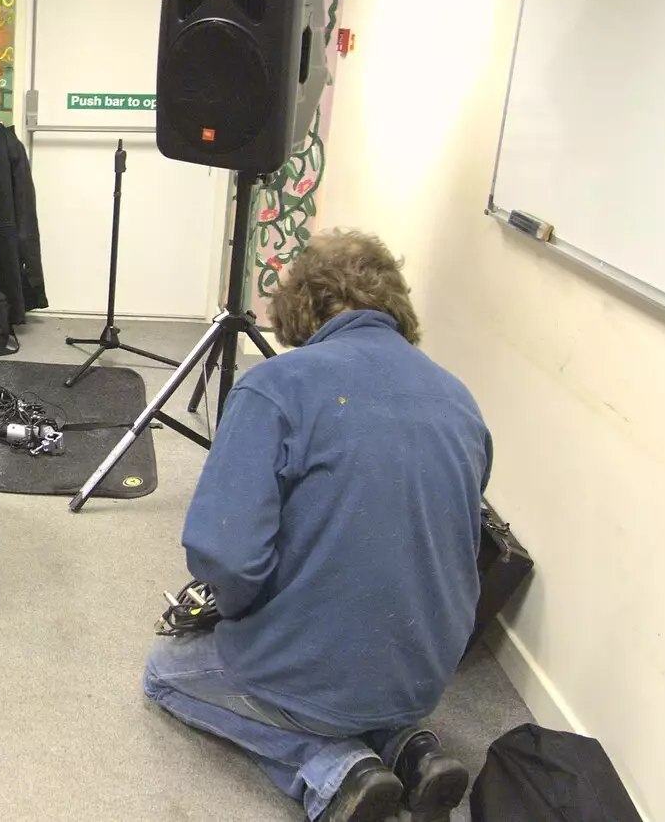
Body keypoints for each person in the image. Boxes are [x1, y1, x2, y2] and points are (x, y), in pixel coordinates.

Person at [142, 231, 492, 822]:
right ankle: (411, 747)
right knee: (356, 648)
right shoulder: (460, 399)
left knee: (166, 675)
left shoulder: (277, 387)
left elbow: (225, 556)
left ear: (302, 306)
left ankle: (333, 770)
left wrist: (235, 614)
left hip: (316, 674)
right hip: (428, 672)